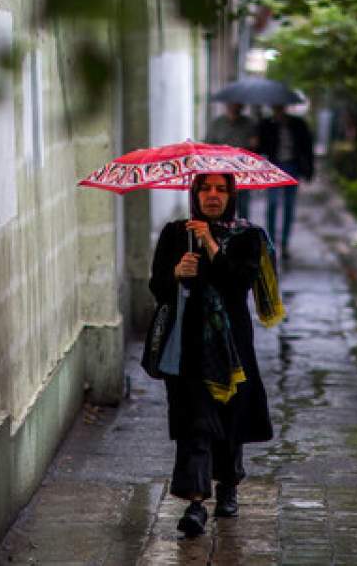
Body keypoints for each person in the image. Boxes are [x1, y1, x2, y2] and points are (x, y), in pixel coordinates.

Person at [148, 173, 280, 537]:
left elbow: (239, 283)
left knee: (231, 417)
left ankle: (229, 486)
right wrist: (176, 272)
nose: (212, 196)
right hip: (189, 344)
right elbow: (157, 286)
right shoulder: (176, 233)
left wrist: (209, 243)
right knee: (195, 421)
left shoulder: (248, 236)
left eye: (221, 190)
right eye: (205, 189)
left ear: (232, 195)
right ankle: (194, 503)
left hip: (232, 346)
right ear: (195, 194)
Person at [258, 103, 314, 258]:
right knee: (272, 203)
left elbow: (307, 147)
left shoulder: (298, 124)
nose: (278, 110)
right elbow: (261, 147)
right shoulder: (266, 124)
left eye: (280, 107)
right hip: (273, 167)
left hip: (292, 167)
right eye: (276, 107)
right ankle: (270, 242)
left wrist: (309, 170)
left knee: (289, 205)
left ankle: (285, 243)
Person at [205, 102, 258, 216]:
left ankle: (244, 231)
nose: (235, 107)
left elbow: (255, 147)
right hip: (222, 170)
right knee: (225, 203)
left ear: (241, 107)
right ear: (227, 106)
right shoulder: (217, 124)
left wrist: (254, 143)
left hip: (242, 170)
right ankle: (225, 230)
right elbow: (207, 145)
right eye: (232, 104)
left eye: (238, 104)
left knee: (243, 205)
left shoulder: (249, 124)